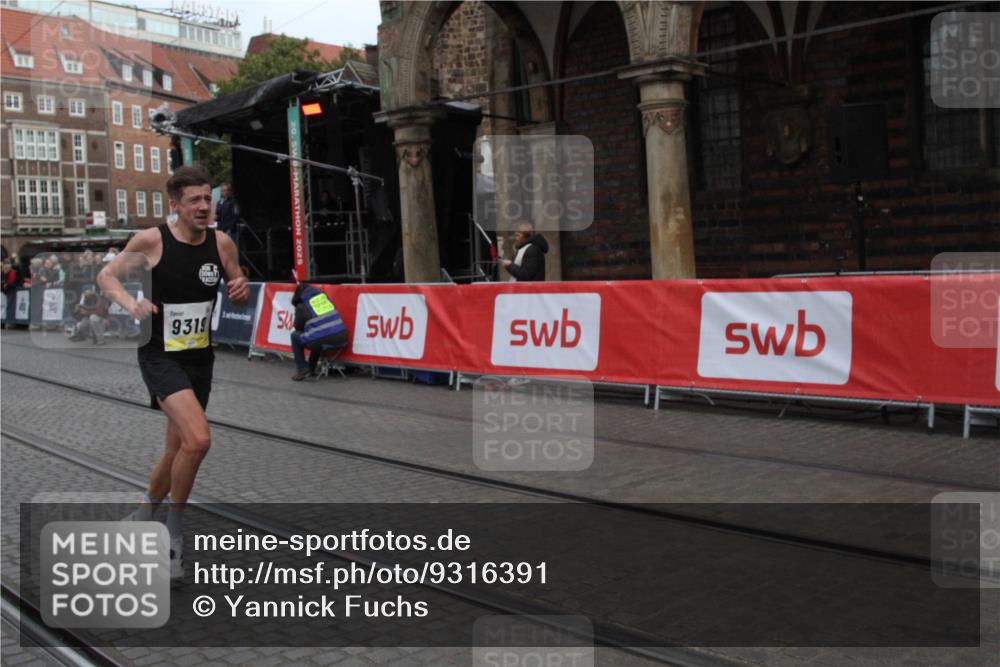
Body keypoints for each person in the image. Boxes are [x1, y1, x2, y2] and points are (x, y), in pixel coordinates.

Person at [98, 165, 249, 578]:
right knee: (199, 440)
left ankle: (143, 517)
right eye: (195, 201)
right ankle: (173, 537)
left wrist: (240, 288)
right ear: (175, 205)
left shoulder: (222, 244)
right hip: (159, 355)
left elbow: (238, 288)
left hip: (200, 357)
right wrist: (132, 305)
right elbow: (107, 275)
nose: (204, 207)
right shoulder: (152, 240)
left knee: (176, 448)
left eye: (208, 199)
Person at [290, 282, 348, 381]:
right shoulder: (324, 298)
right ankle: (311, 368)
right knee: (315, 336)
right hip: (342, 336)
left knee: (295, 336)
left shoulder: (302, 305)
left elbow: (298, 327)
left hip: (324, 338)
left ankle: (302, 368)